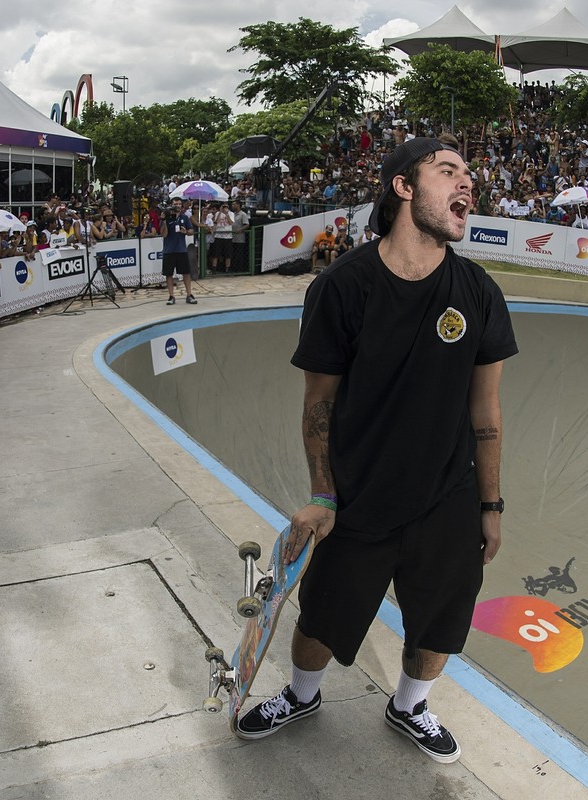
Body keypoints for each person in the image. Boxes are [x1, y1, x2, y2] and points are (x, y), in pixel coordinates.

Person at [235, 136, 518, 766]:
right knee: (320, 621)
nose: (467, 183)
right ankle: (302, 694)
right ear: (403, 188)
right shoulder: (343, 287)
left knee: (442, 621)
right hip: (358, 497)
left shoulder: (477, 291)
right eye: (448, 171)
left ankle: (410, 705)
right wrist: (321, 495)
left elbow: (486, 410)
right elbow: (319, 404)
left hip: (448, 497)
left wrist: (490, 503)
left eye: (469, 174)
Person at [158, 198, 195, 305]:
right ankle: (171, 296)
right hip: (169, 250)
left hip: (181, 249)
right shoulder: (167, 218)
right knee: (169, 274)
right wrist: (164, 221)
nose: (178, 206)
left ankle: (189, 294)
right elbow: (163, 234)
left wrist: (186, 232)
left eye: (179, 204)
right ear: (171, 205)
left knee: (186, 273)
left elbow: (191, 231)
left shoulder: (185, 217)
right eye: (175, 204)